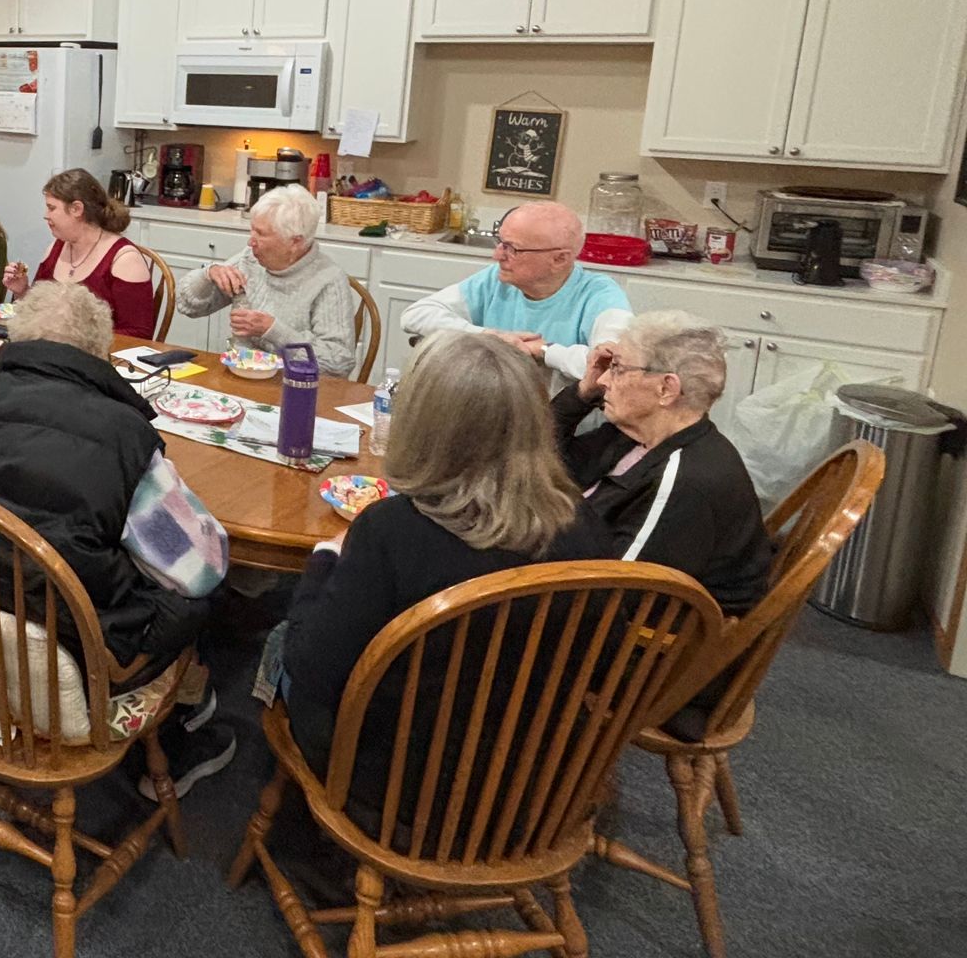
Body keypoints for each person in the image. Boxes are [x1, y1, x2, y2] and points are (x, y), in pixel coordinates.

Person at [0, 280, 234, 796]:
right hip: (69, 654)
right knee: (201, 593)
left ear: (15, 338)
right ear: (100, 352)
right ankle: (181, 724)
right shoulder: (123, 435)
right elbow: (202, 569)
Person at [279, 330, 612, 817]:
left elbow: (312, 668)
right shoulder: (585, 527)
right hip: (535, 780)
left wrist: (324, 562)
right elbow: (602, 665)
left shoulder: (391, 531)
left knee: (278, 641)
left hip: (397, 782)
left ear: (420, 422)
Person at [554, 311, 773, 615]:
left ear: (666, 389)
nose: (604, 380)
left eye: (616, 368)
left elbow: (614, 595)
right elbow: (542, 462)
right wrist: (580, 394)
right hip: (588, 579)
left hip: (645, 648)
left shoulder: (684, 481)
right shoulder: (634, 437)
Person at [399, 200, 630, 386]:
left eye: (512, 248)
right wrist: (492, 337)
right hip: (495, 412)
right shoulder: (497, 279)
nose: (497, 255)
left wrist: (544, 351)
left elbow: (615, 365)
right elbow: (416, 314)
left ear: (559, 259)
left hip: (566, 430)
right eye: (500, 243)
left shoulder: (601, 295)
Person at [176, 185, 358, 375]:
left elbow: (338, 365)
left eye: (261, 234)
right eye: (252, 231)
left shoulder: (329, 280)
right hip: (241, 377)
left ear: (295, 242)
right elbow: (186, 306)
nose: (250, 242)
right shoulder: (250, 260)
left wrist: (273, 330)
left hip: (294, 386)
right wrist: (208, 274)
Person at [1, 168, 155, 337]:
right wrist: (22, 292)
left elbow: (139, 334)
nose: (46, 215)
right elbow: (37, 313)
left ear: (77, 209)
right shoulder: (55, 248)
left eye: (51, 208)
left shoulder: (124, 260)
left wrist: (73, 340)